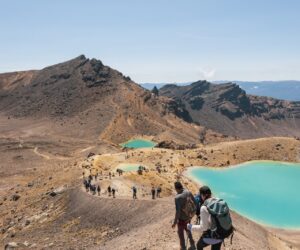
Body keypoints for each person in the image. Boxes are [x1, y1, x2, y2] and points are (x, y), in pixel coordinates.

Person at [172, 181, 196, 250]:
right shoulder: (188, 192)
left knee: (180, 233)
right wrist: (191, 215)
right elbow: (195, 203)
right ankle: (192, 244)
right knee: (188, 230)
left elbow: (178, 212)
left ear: (176, 188)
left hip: (182, 220)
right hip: (189, 217)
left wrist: (174, 222)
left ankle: (183, 247)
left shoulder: (177, 198)